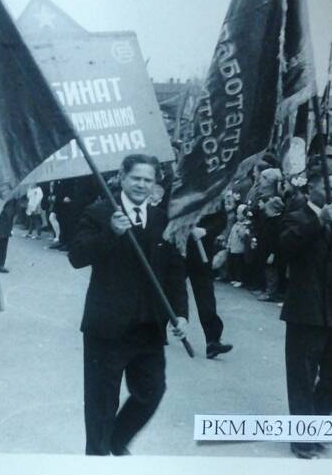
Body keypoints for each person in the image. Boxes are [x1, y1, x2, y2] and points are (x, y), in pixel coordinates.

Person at [68, 154, 188, 456]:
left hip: (148, 327)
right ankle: (97, 458)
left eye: (148, 180)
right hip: (106, 328)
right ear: (122, 177)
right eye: (136, 178)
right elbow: (77, 256)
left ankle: (116, 440)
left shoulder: (163, 219)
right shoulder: (100, 212)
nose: (142, 185)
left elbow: (175, 272)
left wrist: (181, 314)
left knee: (152, 391)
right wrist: (112, 232)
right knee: (100, 404)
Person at [279, 168, 332, 459]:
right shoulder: (297, 215)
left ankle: (311, 424)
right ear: (312, 189)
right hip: (306, 311)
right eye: (330, 189)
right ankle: (302, 436)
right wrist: (318, 221)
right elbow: (284, 249)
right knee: (302, 376)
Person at [185, 211, 233, 359]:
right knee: (169, 289)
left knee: (205, 295)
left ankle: (212, 341)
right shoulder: (178, 188)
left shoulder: (214, 192)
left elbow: (221, 220)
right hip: (177, 249)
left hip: (202, 251)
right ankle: (157, 328)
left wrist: (205, 231)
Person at [0, 198, 18, 273]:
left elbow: (12, 213)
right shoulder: (11, 198)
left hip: (3, 222)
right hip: (0, 222)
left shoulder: (12, 198)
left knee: (1, 244)